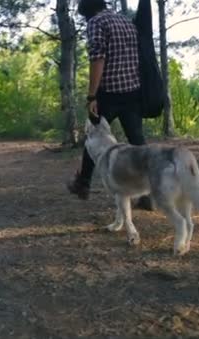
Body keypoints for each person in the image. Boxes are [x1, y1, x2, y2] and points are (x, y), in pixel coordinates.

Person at [67, 0, 152, 210]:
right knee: (138, 141)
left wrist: (91, 95)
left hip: (109, 93)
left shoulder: (96, 22)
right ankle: (149, 194)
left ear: (87, 10)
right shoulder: (125, 21)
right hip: (132, 91)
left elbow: (98, 59)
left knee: (94, 135)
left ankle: (83, 184)